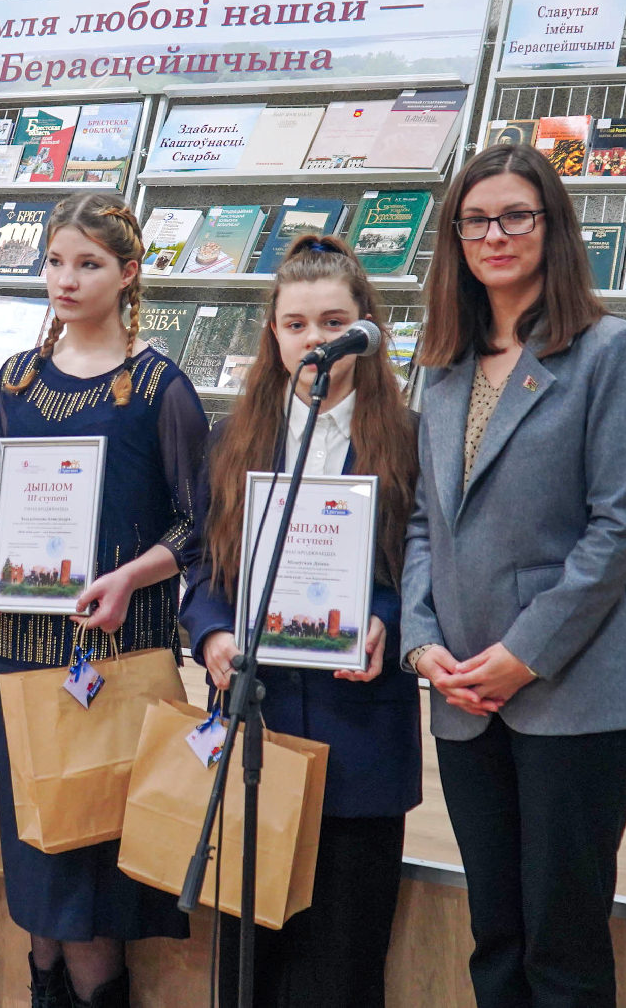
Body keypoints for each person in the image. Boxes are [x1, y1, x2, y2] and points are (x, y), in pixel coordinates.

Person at [401, 143, 626, 1008]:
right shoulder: (443, 365)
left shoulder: (610, 351)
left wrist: (524, 654)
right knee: (497, 938)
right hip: (463, 697)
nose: (495, 235)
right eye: (475, 221)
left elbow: (617, 528)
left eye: (515, 215)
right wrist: (422, 644)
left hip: (572, 695)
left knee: (562, 943)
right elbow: (423, 522)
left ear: (553, 226)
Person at [0, 193, 209, 1008]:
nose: (65, 279)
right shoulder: (17, 377)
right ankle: (45, 990)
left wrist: (131, 575)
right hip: (16, 652)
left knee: (89, 869)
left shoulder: (157, 385)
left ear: (129, 272)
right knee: (35, 852)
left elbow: (198, 523)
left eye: (88, 264)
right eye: (55, 261)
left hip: (111, 659)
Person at [178, 233, 422, 1008]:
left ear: (365, 328)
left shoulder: (408, 439)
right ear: (274, 333)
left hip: (360, 730)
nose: (314, 340)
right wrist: (212, 632)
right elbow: (202, 563)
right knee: (248, 964)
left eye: (332, 322)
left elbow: (424, 566)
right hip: (259, 720)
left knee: (342, 966)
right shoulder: (234, 437)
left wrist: (385, 621)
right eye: (296, 323)